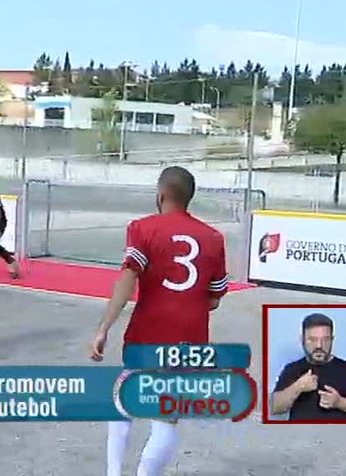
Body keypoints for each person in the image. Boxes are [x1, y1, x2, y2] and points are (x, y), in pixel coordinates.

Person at [90, 166, 229, 476]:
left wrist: (104, 328)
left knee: (121, 403)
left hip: (147, 332)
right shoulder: (213, 237)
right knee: (166, 417)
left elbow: (128, 279)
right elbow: (215, 298)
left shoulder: (143, 228)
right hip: (190, 338)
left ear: (162, 194)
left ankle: (114, 472)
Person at [270, 313, 346, 422]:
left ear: (332, 340)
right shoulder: (292, 369)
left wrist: (340, 403)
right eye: (312, 339)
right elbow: (274, 407)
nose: (319, 346)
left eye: (325, 340)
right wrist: (298, 386)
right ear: (302, 340)